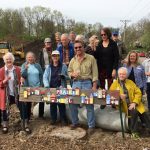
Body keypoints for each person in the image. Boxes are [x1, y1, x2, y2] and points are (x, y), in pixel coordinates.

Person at [110, 67, 150, 138]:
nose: (122, 75)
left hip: (134, 103)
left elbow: (138, 93)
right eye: (120, 74)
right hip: (123, 105)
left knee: (143, 113)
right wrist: (119, 96)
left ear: (126, 75)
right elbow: (111, 96)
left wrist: (134, 102)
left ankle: (147, 128)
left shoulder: (130, 82)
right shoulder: (114, 84)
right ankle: (134, 132)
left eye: (123, 74)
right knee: (134, 111)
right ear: (118, 75)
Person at [68, 40, 98, 135]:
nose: (78, 49)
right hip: (76, 83)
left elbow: (95, 73)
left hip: (86, 83)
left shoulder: (91, 58)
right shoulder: (73, 60)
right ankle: (75, 122)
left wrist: (94, 86)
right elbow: (69, 71)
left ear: (83, 47)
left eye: (80, 47)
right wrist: (72, 75)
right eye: (76, 48)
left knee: (89, 105)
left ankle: (91, 126)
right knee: (72, 103)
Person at [43, 50, 68, 125]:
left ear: (59, 56)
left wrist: (64, 77)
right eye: (53, 56)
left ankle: (63, 119)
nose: (55, 57)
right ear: (51, 57)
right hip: (51, 87)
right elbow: (45, 77)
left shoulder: (63, 66)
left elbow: (68, 76)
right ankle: (53, 119)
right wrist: (47, 85)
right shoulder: (48, 67)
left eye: (56, 56)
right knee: (52, 104)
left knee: (61, 104)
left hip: (60, 87)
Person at [21, 52, 43, 130]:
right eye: (28, 57)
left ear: (34, 58)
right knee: (28, 103)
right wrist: (25, 69)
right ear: (26, 58)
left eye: (31, 57)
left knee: (41, 100)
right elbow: (23, 75)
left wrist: (41, 84)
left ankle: (41, 116)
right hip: (28, 87)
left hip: (37, 86)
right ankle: (28, 118)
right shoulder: (24, 65)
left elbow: (41, 75)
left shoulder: (38, 65)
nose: (30, 59)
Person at [0, 53, 21, 133]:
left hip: (16, 93)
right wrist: (4, 81)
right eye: (7, 59)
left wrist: (22, 81)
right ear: (5, 61)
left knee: (21, 107)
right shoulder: (1, 70)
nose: (9, 60)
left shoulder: (17, 69)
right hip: (6, 94)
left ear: (13, 60)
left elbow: (20, 79)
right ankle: (5, 124)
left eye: (10, 59)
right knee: (5, 109)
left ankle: (24, 122)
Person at [38, 37, 52, 118]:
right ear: (44, 43)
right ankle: (41, 114)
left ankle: (53, 113)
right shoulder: (41, 51)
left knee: (52, 91)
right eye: (47, 42)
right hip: (44, 72)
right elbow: (40, 63)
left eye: (49, 42)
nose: (48, 44)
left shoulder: (53, 51)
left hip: (52, 72)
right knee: (43, 92)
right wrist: (42, 74)